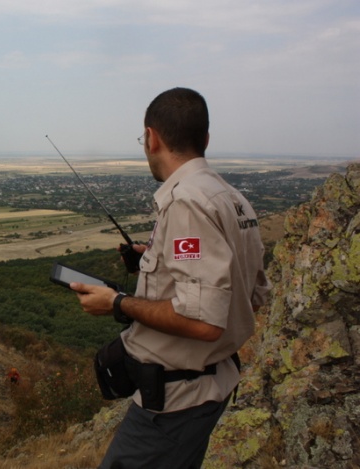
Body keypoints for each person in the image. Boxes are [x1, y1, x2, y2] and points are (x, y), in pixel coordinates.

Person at [70, 88, 271, 469]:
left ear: (152, 138)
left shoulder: (187, 201)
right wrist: (156, 261)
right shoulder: (232, 198)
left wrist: (116, 302)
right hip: (209, 385)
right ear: (205, 140)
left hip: (175, 403)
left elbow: (203, 321)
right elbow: (249, 292)